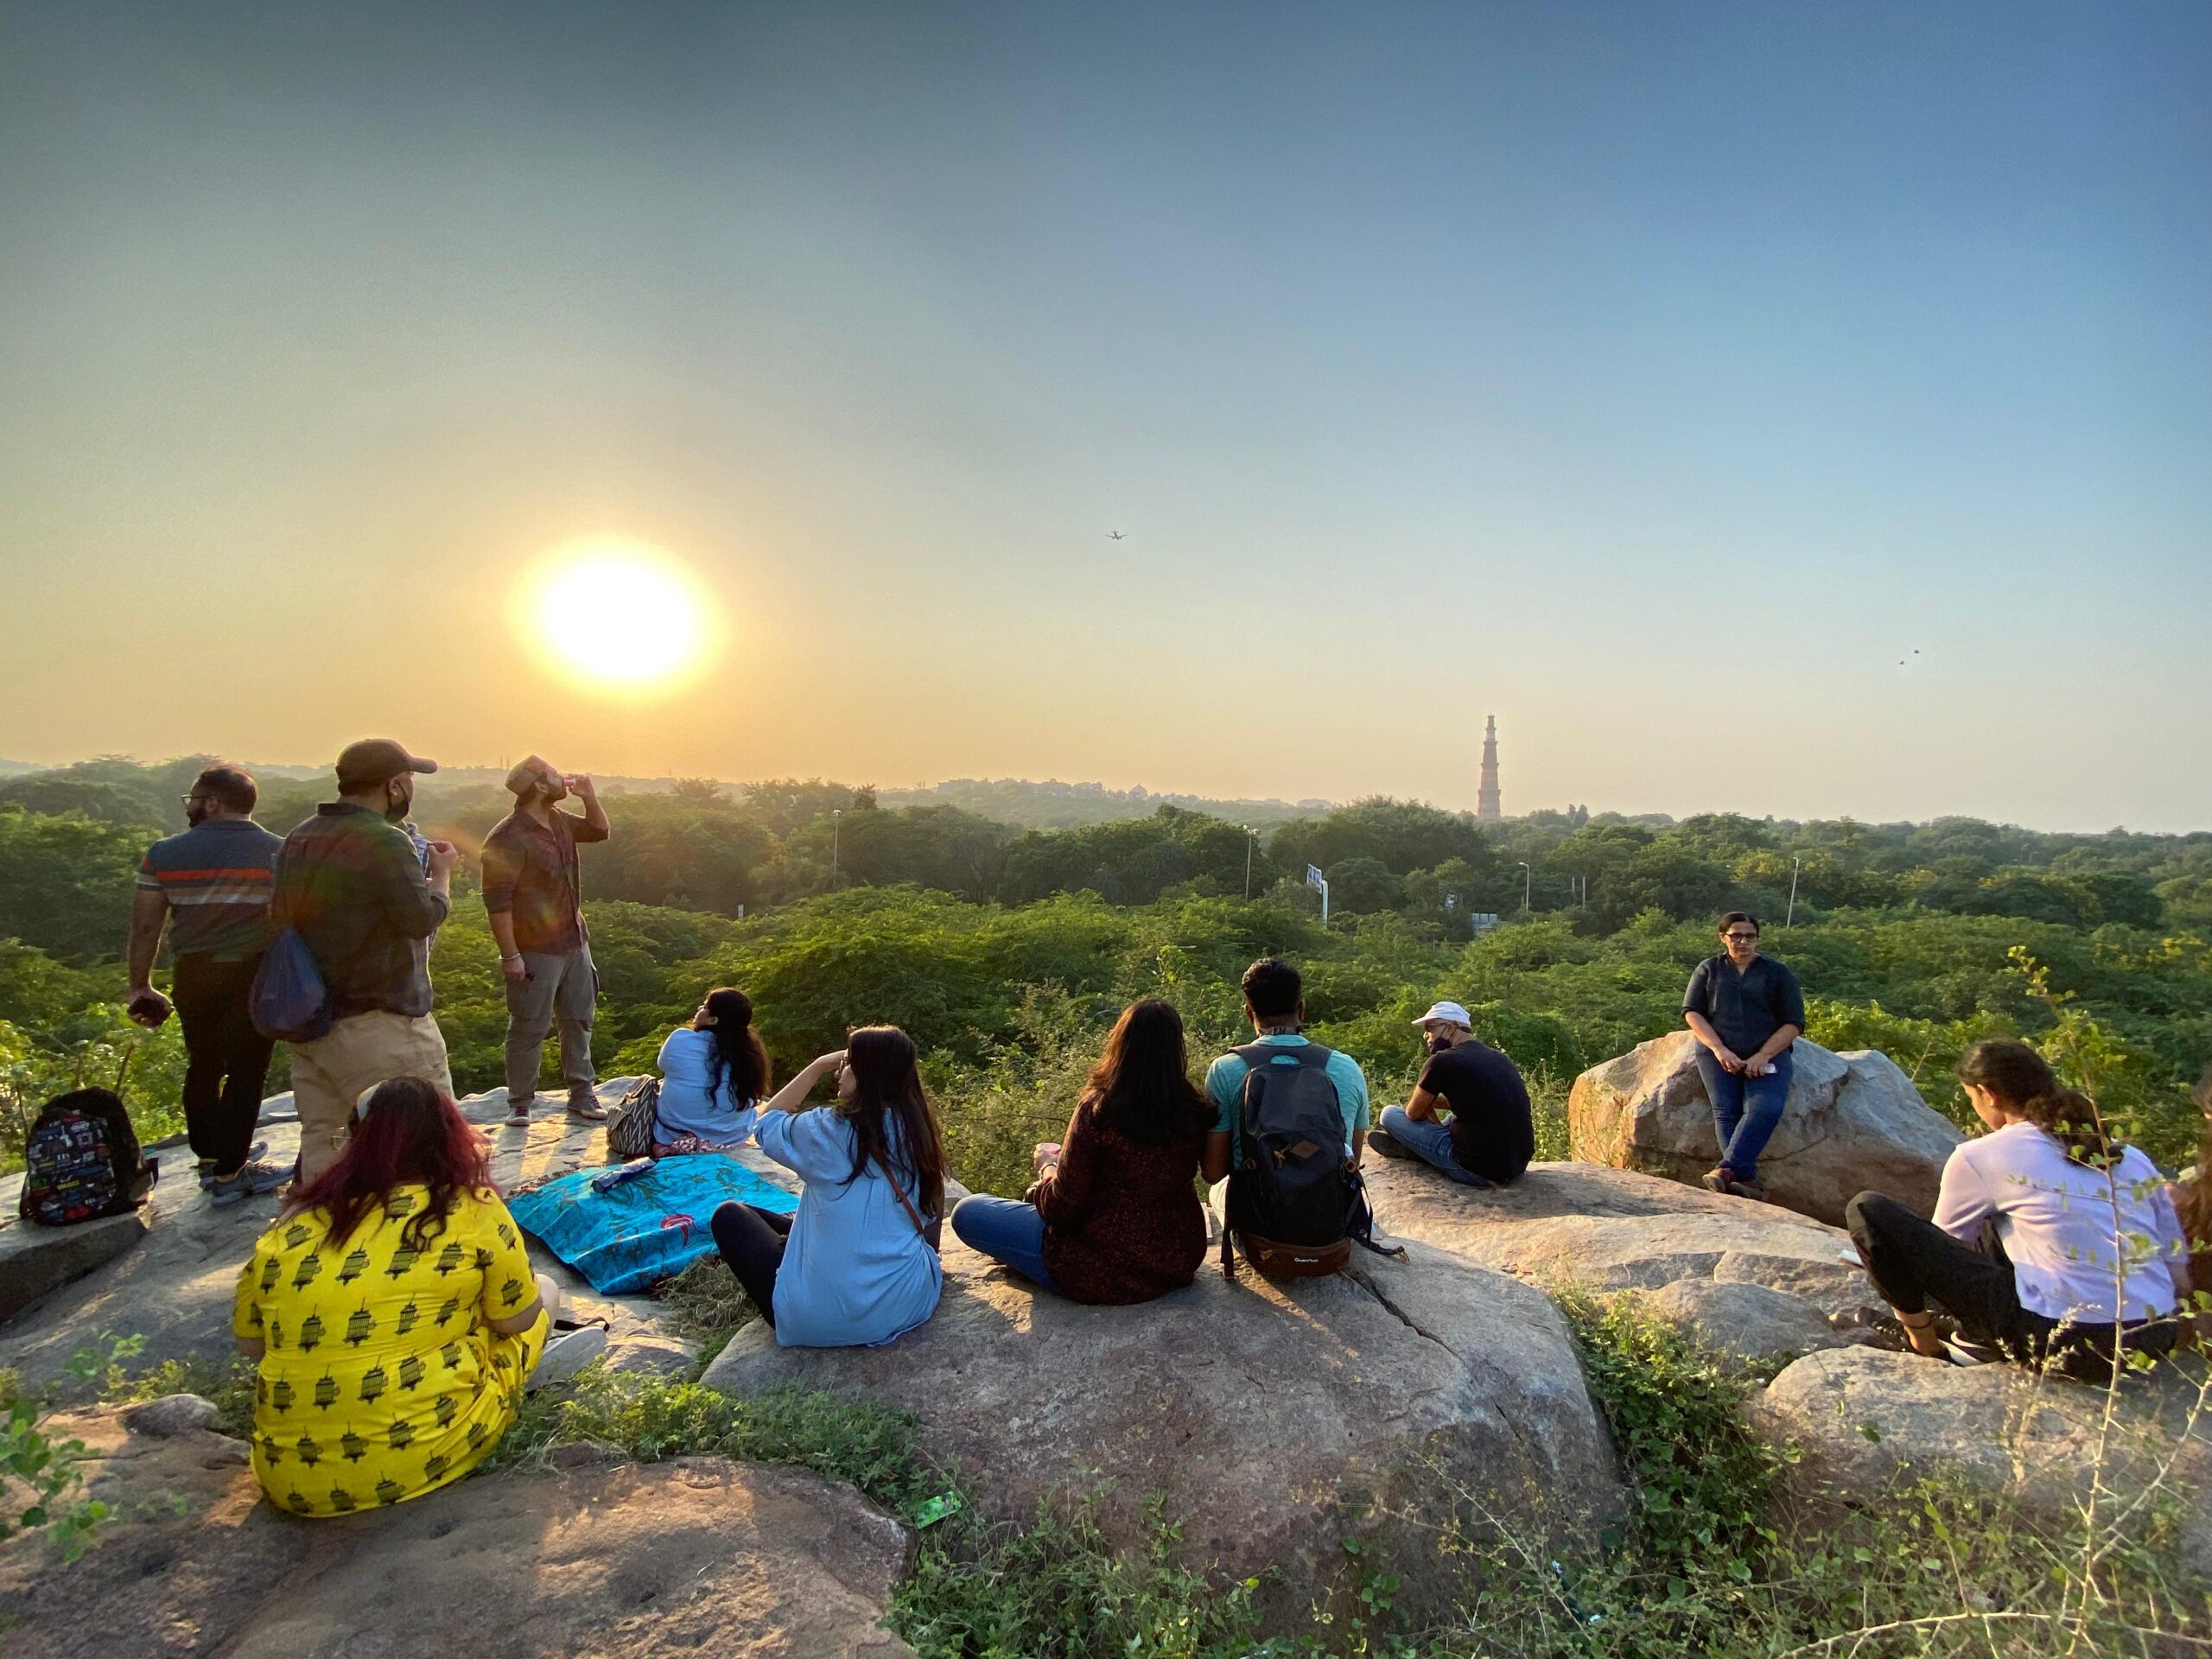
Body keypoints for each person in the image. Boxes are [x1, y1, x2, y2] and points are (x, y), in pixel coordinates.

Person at [231, 1077, 605, 1517]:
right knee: (543, 1291)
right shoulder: (472, 1208)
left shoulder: (295, 1224)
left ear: (354, 1140)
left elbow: (251, 1345)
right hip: (427, 1451)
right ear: (451, 1137)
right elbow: (516, 1320)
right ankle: (534, 1374)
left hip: (288, 1479)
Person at [1844, 1040, 2190, 1380]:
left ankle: (1922, 1342)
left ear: (1988, 1094)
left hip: (2066, 1345)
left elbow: (1942, 1252)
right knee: (2010, 1220)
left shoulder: (1982, 1154)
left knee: (1869, 1211)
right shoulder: (2129, 1156)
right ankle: (1976, 1339)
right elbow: (2178, 1273)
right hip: (2153, 1339)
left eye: (1971, 1099)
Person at [273, 740, 456, 1184]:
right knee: (427, 1144)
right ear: (394, 786)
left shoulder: (301, 836)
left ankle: (322, 1240)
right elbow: (418, 920)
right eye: (409, 781)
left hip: (312, 1020)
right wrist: (442, 876)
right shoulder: (383, 840)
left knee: (326, 1143)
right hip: (381, 1024)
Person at [950, 1000, 1212, 1303]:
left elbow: (1062, 1208)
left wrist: (1047, 1168)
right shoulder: (1194, 1109)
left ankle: (1036, 1269)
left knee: (968, 1212)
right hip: (1176, 1259)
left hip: (1099, 1266)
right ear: (1175, 1050)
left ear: (1120, 1043)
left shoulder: (1099, 1109)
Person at [709, 1026, 945, 1347]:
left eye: (847, 1063)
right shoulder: (917, 1132)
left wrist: (817, 1065)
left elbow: (765, 1123)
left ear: (866, 1072)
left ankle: (807, 1305)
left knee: (731, 1216)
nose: (839, 1071)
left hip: (817, 1320)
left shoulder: (827, 1130)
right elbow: (930, 1227)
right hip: (908, 1303)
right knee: (784, 1219)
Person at [124, 765, 289, 1205]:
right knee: (248, 1069)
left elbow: (145, 929)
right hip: (254, 973)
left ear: (212, 802)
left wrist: (140, 985)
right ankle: (230, 1173)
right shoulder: (280, 851)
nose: (191, 807)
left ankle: (212, 1157)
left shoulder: (163, 853)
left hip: (193, 973)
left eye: (194, 799)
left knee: (205, 1063)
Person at [480, 756, 609, 1129]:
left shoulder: (558, 821)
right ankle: (520, 1102)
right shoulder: (506, 837)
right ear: (538, 786)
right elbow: (497, 902)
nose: (560, 778)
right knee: (528, 1026)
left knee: (579, 1018)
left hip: (574, 939)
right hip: (534, 947)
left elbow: (599, 831)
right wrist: (511, 956)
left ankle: (581, 1093)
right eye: (553, 774)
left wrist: (589, 797)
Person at [1201, 957, 1370, 1190]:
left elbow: (1213, 1172)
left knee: (1217, 1192)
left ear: (1249, 1013)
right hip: (1328, 1217)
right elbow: (1351, 1159)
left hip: (1256, 1221)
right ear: (1301, 1009)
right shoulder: (1346, 1067)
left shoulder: (1225, 1070)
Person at [1681, 912, 1806, 1200]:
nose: (1743, 941)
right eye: (1735, 935)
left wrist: (1764, 1055)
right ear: (1723, 937)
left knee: (1765, 1108)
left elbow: (1794, 1023)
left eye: (1749, 936)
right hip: (1717, 1051)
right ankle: (1746, 1180)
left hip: (1768, 1053)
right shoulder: (1709, 969)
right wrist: (1719, 1049)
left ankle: (1727, 1169)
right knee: (1726, 1111)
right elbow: (1692, 1012)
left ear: (1757, 938)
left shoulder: (1777, 973)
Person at [1371, 1001, 1533, 1188]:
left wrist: (1427, 1103)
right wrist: (1435, 1103)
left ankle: (1421, 1152)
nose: (1426, 1035)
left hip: (1475, 1170)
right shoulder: (1500, 1058)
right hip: (1516, 1167)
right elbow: (1476, 1103)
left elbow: (1413, 1114)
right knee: (1457, 1117)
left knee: (1389, 1114)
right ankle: (1422, 1149)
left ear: (1449, 1028)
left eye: (1430, 1028)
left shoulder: (1441, 1061)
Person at [654, 988, 769, 1154]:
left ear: (713, 1020)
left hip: (673, 1134)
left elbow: (663, 1065)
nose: (700, 1008)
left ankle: (667, 1146)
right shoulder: (750, 1054)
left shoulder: (680, 1039)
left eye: (705, 1007)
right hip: (732, 1138)